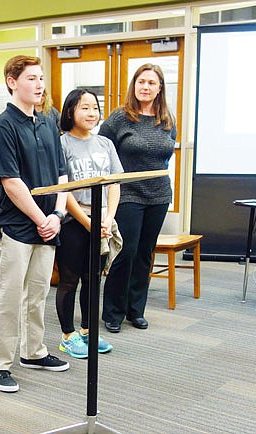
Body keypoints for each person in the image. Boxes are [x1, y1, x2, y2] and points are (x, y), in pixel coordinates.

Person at [0, 55, 69, 394]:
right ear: (12, 81)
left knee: (37, 293)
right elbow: (10, 182)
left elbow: (63, 173)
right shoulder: (3, 125)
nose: (39, 85)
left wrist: (58, 216)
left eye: (40, 78)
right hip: (18, 225)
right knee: (8, 296)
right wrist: (41, 218)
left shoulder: (49, 120)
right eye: (31, 78)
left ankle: (33, 351)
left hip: (49, 223)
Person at [100, 63, 176, 334]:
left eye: (151, 83)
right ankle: (113, 311)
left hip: (159, 194)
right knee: (125, 252)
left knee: (145, 253)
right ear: (134, 85)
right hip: (127, 193)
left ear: (159, 88)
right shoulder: (120, 117)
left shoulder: (167, 119)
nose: (146, 87)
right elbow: (101, 149)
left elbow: (167, 152)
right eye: (141, 82)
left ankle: (136, 309)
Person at [55, 89, 123, 359]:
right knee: (70, 280)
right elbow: (63, 189)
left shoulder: (105, 143)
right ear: (70, 111)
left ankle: (87, 331)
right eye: (84, 107)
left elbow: (114, 183)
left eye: (95, 107)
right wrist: (87, 222)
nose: (91, 113)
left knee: (92, 279)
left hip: (102, 218)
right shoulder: (62, 144)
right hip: (74, 219)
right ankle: (67, 336)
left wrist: (107, 219)